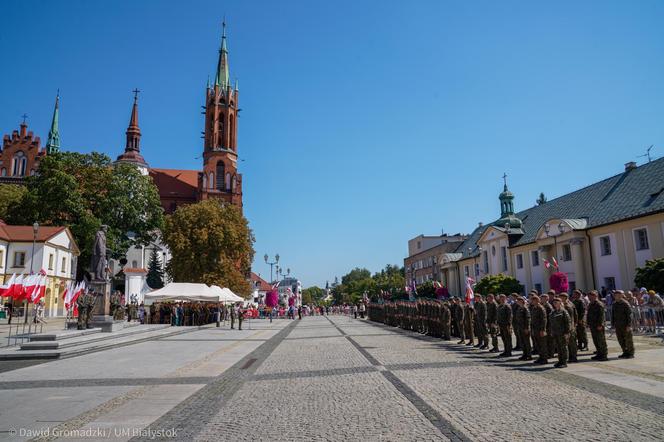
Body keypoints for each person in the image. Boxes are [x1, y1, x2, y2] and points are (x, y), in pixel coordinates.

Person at [612, 290, 635, 358]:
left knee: (628, 340)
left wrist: (629, 325)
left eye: (619, 295)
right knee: (620, 340)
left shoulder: (625, 304)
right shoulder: (614, 304)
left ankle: (631, 353)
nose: (617, 297)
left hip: (625, 325)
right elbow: (613, 315)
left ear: (622, 296)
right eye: (616, 295)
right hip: (618, 325)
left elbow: (630, 315)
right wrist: (613, 324)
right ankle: (625, 352)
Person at [550, 297, 571, 368]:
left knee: (563, 347)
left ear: (560, 303)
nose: (555, 304)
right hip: (556, 332)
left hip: (562, 332)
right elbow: (552, 323)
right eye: (554, 302)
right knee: (558, 347)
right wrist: (552, 331)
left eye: (556, 302)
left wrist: (567, 332)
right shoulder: (553, 312)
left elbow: (568, 322)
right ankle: (560, 360)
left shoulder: (564, 311)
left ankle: (564, 362)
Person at [586, 290, 608, 361]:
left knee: (601, 340)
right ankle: (599, 353)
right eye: (589, 296)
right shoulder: (590, 304)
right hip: (593, 325)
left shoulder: (599, 304)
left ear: (596, 296)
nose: (590, 298)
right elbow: (589, 314)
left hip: (598, 325)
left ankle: (604, 355)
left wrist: (600, 324)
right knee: (596, 340)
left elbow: (601, 316)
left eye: (591, 296)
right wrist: (588, 323)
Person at [559, 293, 578, 363]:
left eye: (561, 297)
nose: (559, 299)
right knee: (569, 343)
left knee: (571, 343)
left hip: (569, 327)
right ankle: (571, 356)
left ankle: (573, 357)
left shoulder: (567, 306)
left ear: (564, 298)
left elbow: (570, 318)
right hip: (568, 327)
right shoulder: (566, 305)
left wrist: (573, 325)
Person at [530, 295, 548, 365]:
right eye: (532, 300)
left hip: (540, 329)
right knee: (538, 345)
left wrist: (543, 329)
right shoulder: (534, 308)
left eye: (533, 300)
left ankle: (544, 359)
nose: (532, 301)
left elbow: (544, 319)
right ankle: (541, 357)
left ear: (537, 301)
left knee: (542, 345)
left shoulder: (541, 308)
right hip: (535, 329)